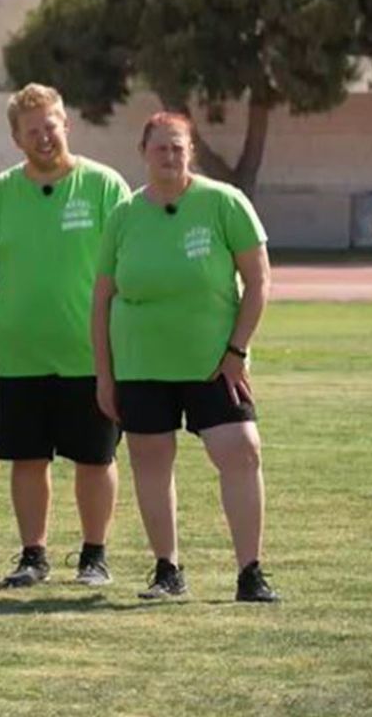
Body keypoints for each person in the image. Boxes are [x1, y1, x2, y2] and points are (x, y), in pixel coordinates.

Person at [93, 113, 278, 602]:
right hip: (141, 364)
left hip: (214, 363)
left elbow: (258, 282)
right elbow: (102, 299)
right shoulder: (125, 215)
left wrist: (236, 351)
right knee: (150, 460)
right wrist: (105, 376)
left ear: (190, 150)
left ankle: (250, 573)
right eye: (161, 149)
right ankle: (167, 570)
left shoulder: (224, 203)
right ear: (143, 152)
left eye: (178, 148)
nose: (170, 157)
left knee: (241, 449)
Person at [0, 83, 130, 588]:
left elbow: (125, 267)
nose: (44, 138)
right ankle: (33, 556)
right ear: (17, 138)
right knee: (27, 459)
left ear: (65, 125)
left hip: (89, 353)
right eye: (32, 131)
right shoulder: (0, 193)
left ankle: (94, 556)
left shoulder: (104, 186)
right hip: (18, 353)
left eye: (50, 126)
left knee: (95, 458)